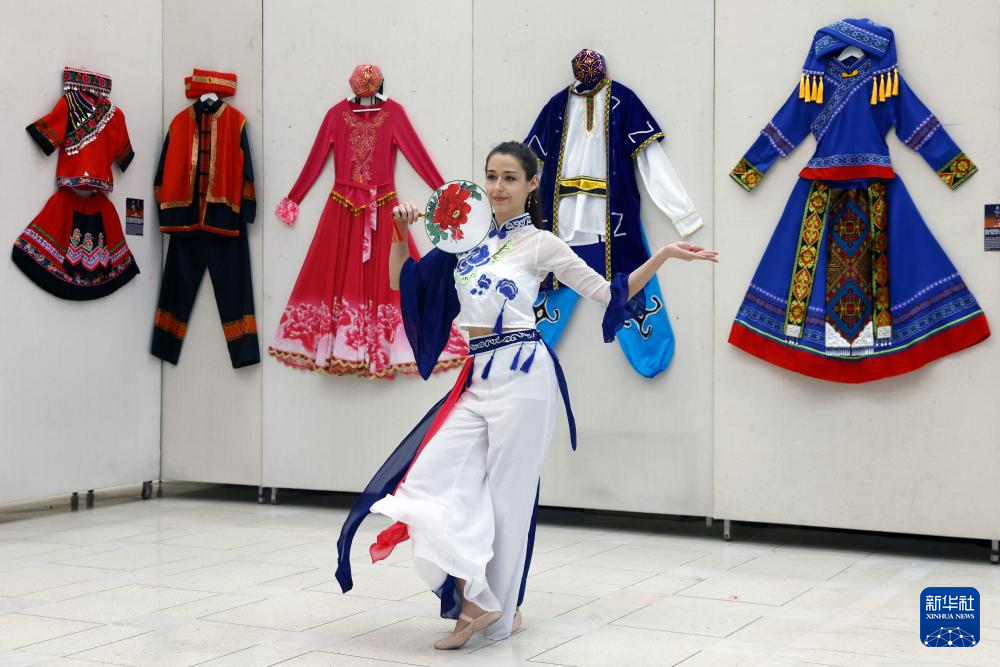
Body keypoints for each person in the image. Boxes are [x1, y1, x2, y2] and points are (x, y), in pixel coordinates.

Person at [334, 141, 716, 649]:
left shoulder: (541, 244)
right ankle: (482, 601)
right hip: (477, 378)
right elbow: (403, 283)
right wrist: (402, 232)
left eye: (510, 178)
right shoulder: (465, 240)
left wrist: (662, 255)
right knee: (427, 480)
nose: (498, 187)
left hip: (523, 375)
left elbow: (607, 293)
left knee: (507, 500)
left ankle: (492, 607)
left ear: (532, 184)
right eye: (491, 176)